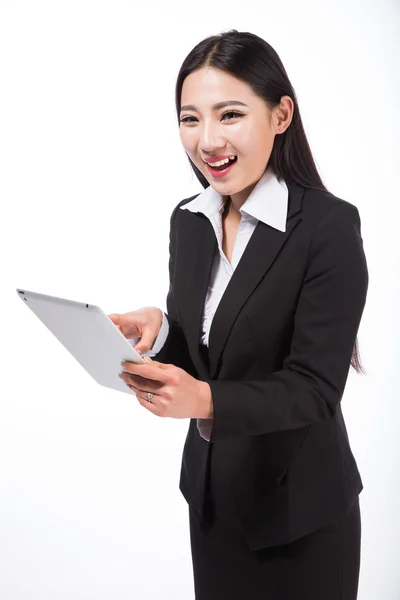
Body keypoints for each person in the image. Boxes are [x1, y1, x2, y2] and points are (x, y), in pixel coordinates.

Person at [108, 30, 369, 600]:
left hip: (299, 516)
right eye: (190, 119)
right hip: (212, 502)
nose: (207, 141)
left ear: (281, 116)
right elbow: (208, 352)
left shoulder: (327, 228)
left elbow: (314, 389)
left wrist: (203, 402)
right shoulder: (190, 218)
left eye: (229, 115)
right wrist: (157, 337)